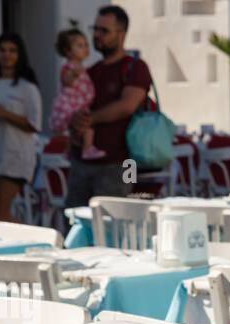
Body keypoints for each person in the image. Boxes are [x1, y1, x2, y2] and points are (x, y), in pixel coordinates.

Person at [65, 5, 153, 208]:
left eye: (104, 30)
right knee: (76, 227)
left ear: (121, 34)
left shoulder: (135, 67)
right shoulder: (90, 72)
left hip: (119, 164)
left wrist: (91, 118)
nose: (96, 35)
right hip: (81, 164)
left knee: (112, 230)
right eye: (94, 29)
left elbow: (128, 105)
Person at [0, 33, 41, 224]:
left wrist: (4, 113)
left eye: (12, 51)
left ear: (20, 55)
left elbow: (34, 124)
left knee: (1, 215)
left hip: (16, 156)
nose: (7, 55)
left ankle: (32, 240)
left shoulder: (27, 87)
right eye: (2, 50)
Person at [50, 27, 106, 159]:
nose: (85, 48)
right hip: (72, 104)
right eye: (80, 46)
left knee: (78, 131)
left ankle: (70, 151)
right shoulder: (69, 67)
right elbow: (66, 80)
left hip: (79, 103)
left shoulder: (83, 68)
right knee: (88, 128)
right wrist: (74, 73)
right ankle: (87, 149)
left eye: (86, 45)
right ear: (68, 51)